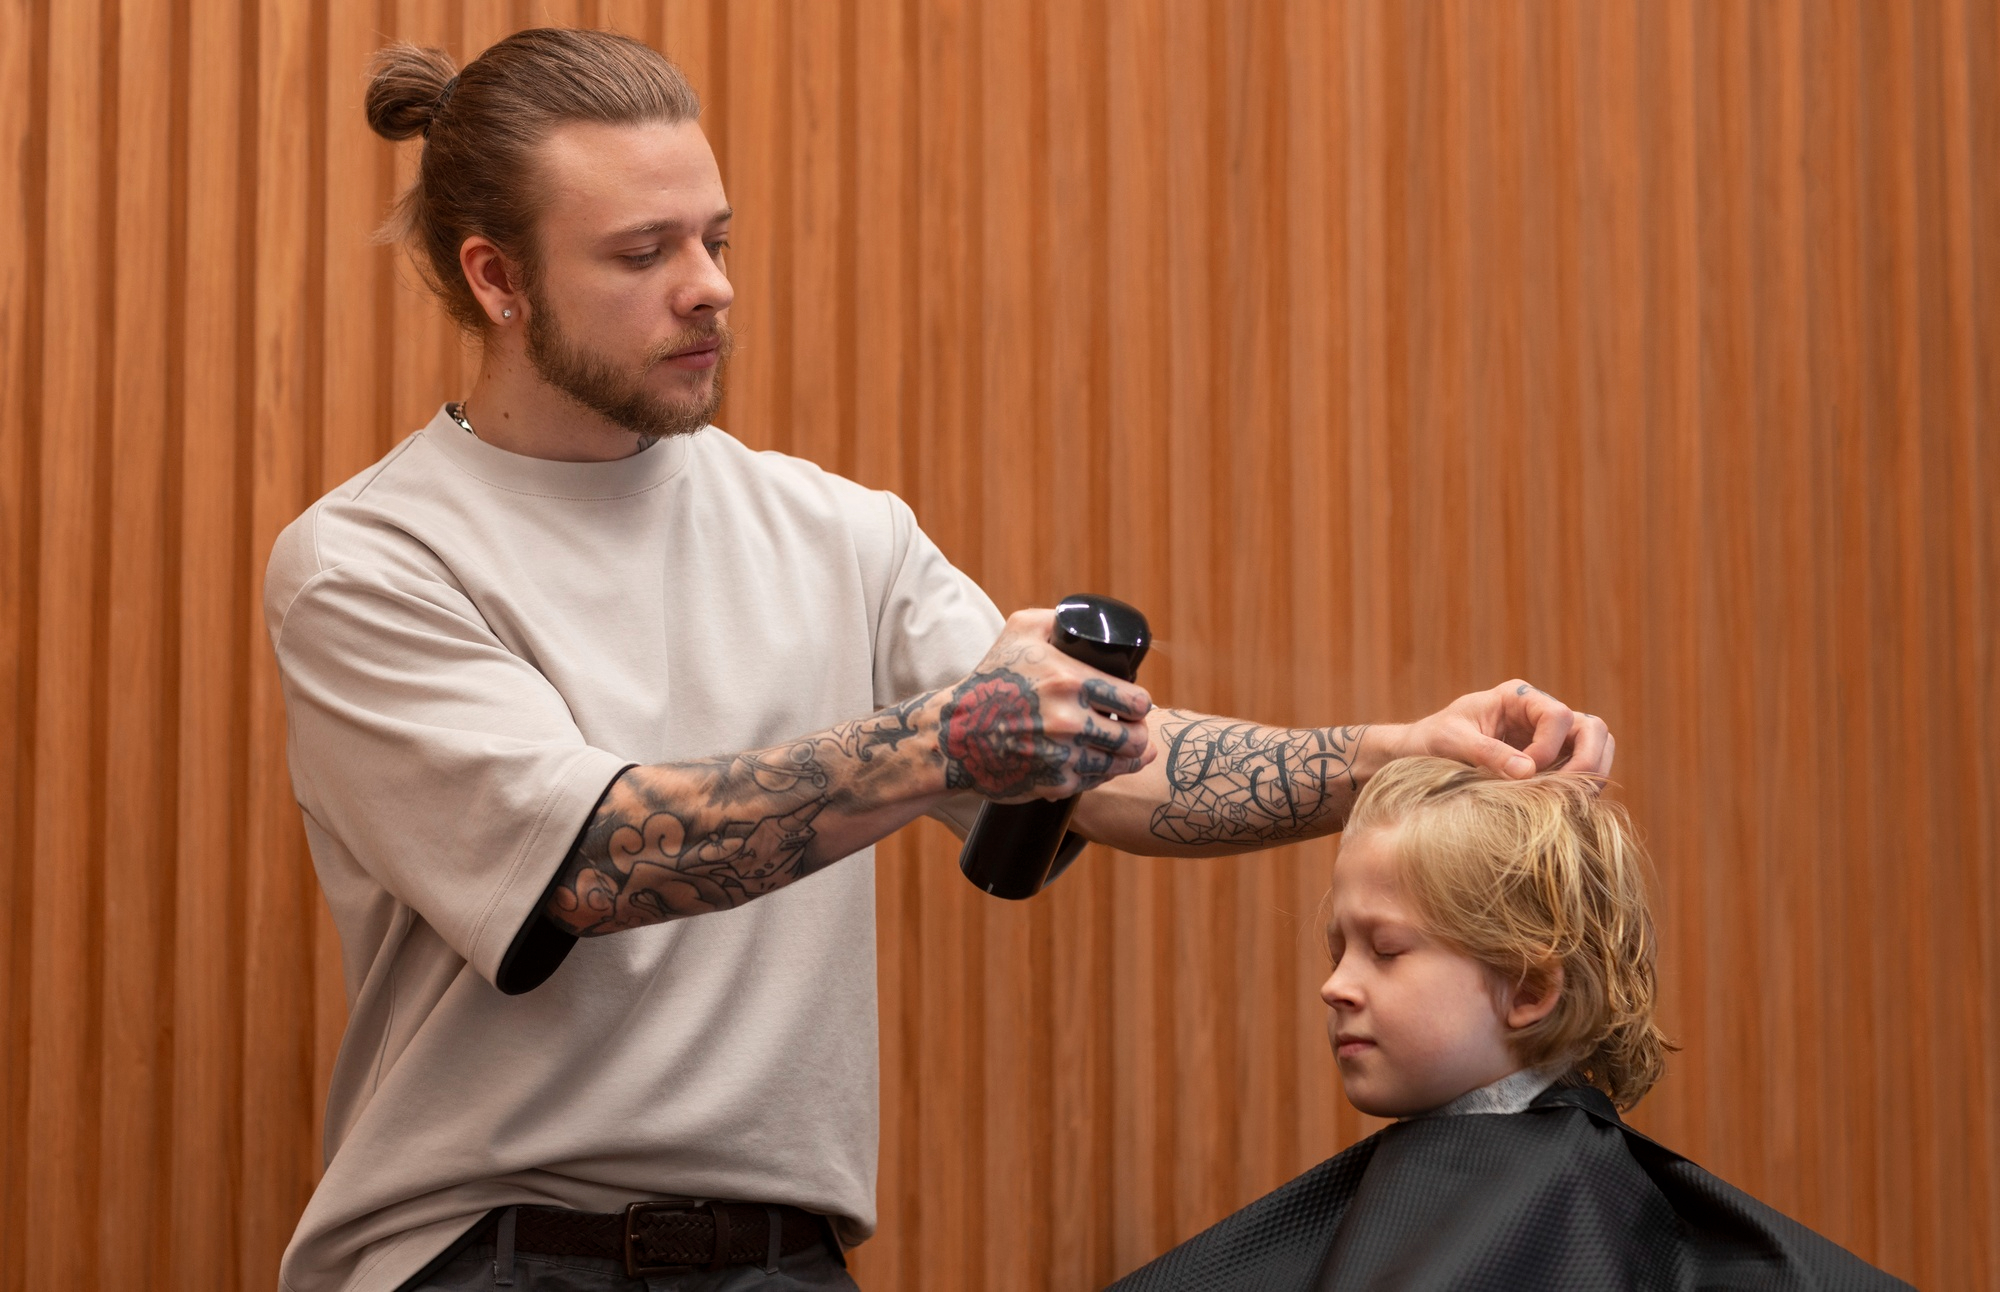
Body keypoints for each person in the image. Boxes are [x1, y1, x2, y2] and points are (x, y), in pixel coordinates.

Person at [264, 29, 1615, 1292]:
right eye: (643, 253)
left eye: (717, 239)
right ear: (499, 278)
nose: (710, 287)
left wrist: (1392, 755)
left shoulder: (836, 534)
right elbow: (602, 858)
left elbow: (1109, 767)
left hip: (787, 1260)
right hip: (496, 1259)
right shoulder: (372, 563)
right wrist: (946, 743)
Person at [1108, 757, 1909, 1291]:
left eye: (1386, 952)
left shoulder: (1565, 1209)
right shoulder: (1477, 1188)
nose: (1335, 986)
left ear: (1527, 989)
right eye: (1337, 950)